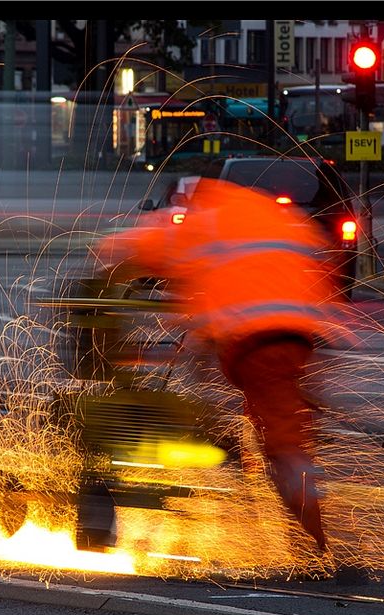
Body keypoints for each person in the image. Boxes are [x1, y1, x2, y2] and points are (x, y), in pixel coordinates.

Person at [93, 178, 339, 551]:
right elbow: (320, 261)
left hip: (255, 342)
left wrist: (99, 273)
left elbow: (128, 247)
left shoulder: (201, 220)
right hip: (301, 337)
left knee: (285, 449)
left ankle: (319, 548)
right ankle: (301, 526)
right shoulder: (273, 214)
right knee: (285, 431)